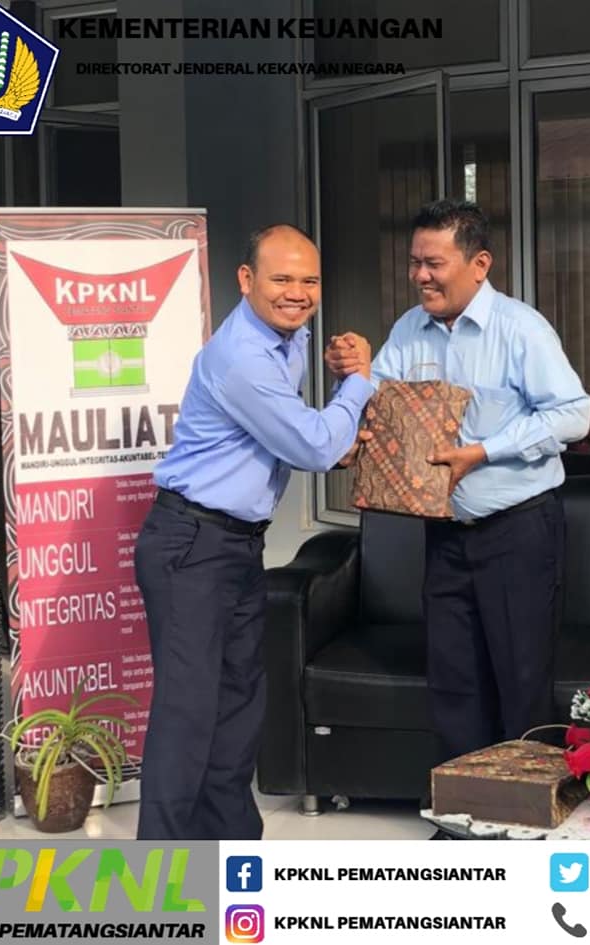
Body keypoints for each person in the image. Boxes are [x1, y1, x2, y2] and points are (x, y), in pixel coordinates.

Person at [325, 199, 590, 777]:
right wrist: (353, 382)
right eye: (414, 262)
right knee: (453, 684)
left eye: (434, 264)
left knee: (521, 681)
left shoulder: (520, 328)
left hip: (518, 531)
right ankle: (463, 810)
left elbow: (574, 414)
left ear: (479, 264)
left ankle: (520, 813)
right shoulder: (409, 329)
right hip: (444, 536)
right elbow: (380, 406)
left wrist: (485, 451)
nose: (421, 276)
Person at [135, 224, 374, 840]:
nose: (298, 293)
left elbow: (285, 435)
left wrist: (330, 409)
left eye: (309, 280)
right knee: (188, 715)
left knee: (240, 704)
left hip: (239, 543)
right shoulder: (242, 355)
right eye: (281, 278)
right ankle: (161, 872)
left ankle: (233, 855)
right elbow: (313, 444)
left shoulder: (287, 338)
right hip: (191, 544)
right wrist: (357, 382)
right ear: (246, 280)